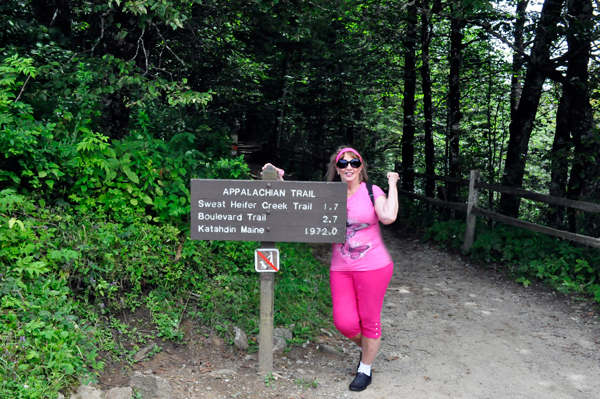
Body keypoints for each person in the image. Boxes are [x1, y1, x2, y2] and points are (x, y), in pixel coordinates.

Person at [263, 146, 399, 392]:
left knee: (369, 319)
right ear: (336, 168)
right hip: (341, 267)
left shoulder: (371, 191)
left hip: (374, 266)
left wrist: (392, 183)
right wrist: (278, 178)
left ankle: (365, 368)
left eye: (354, 162)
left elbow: (388, 216)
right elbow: (298, 206)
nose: (349, 167)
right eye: (343, 163)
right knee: (344, 322)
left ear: (361, 167)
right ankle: (370, 345)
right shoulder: (329, 194)